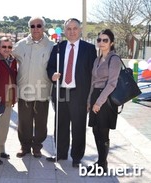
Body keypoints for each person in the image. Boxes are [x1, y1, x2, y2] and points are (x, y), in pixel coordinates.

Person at [46, 18, 97, 167]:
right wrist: (52, 75)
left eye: (75, 28)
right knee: (60, 125)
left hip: (79, 94)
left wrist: (90, 98)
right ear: (65, 31)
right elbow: (50, 67)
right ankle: (61, 154)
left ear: (80, 30)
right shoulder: (58, 47)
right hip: (61, 93)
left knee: (78, 126)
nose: (72, 31)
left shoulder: (89, 49)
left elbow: (93, 75)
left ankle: (76, 157)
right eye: (69, 29)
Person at [12, 16, 54, 158]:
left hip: (43, 90)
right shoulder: (20, 45)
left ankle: (37, 146)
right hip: (24, 89)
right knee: (24, 121)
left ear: (44, 27)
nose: (35, 28)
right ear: (29, 28)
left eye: (39, 25)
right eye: (33, 26)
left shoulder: (52, 46)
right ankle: (25, 146)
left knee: (41, 122)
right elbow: (10, 61)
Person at [86, 29, 122, 174]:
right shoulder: (97, 59)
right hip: (95, 95)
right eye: (99, 40)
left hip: (105, 100)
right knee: (95, 130)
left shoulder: (115, 59)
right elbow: (93, 82)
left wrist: (98, 103)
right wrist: (90, 100)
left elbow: (112, 84)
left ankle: (102, 164)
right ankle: (101, 162)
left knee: (103, 131)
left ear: (111, 43)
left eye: (105, 40)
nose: (101, 42)